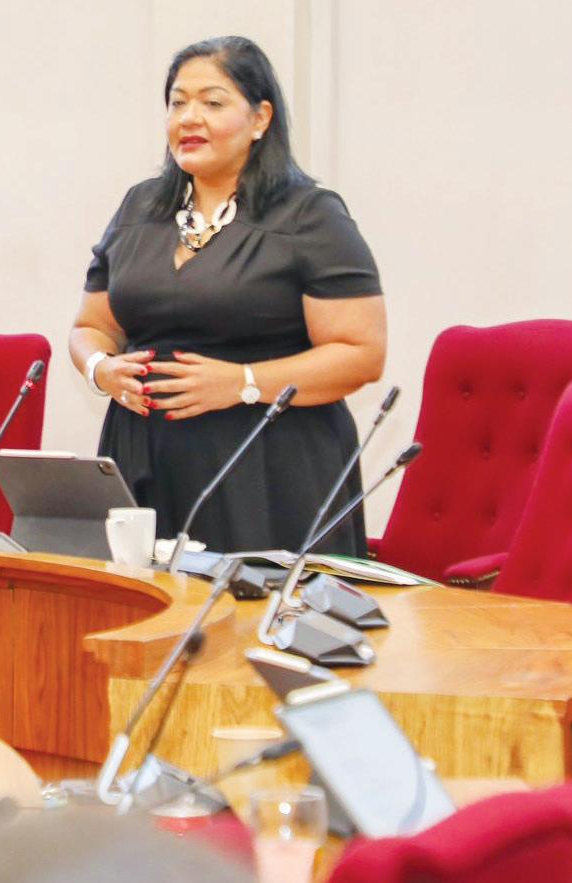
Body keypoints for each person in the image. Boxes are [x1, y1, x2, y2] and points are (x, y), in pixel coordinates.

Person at [69, 36, 386, 556]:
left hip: (265, 464)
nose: (189, 118)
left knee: (253, 606)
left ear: (260, 119)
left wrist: (242, 383)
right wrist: (100, 369)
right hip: (144, 456)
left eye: (212, 103)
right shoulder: (140, 207)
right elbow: (91, 327)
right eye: (177, 103)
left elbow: (361, 354)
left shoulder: (309, 215)